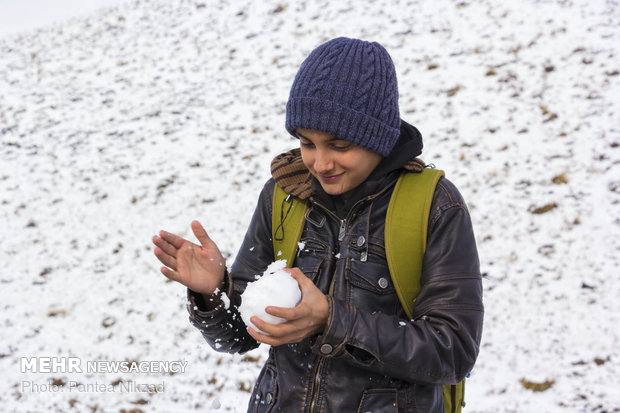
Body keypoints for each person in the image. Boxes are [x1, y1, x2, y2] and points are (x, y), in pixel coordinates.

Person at [152, 37, 483, 413]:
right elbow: (239, 337)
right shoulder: (284, 195)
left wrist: (330, 320)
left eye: (339, 146)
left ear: (377, 137)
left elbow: (453, 352)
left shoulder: (435, 206)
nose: (320, 163)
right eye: (307, 142)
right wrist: (214, 293)